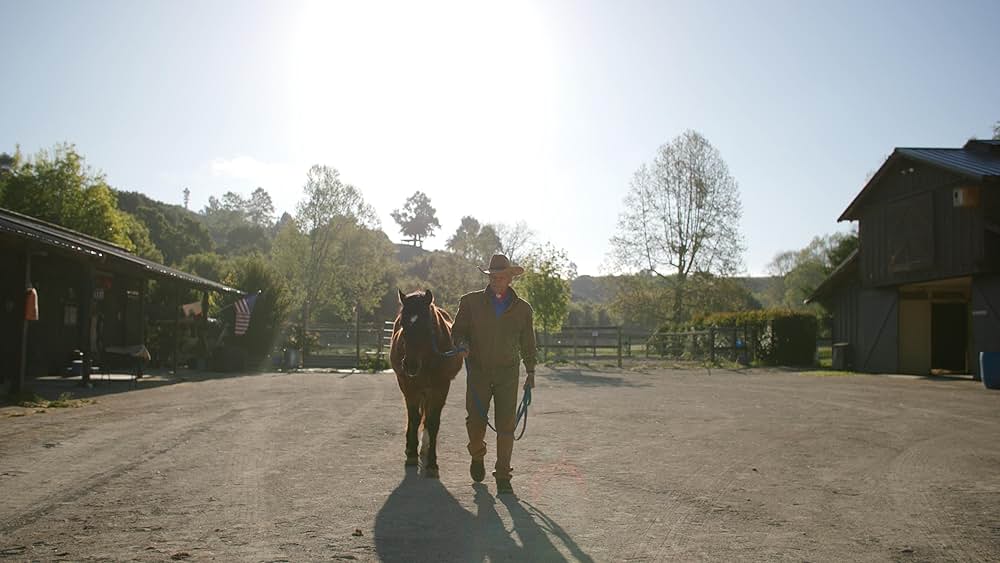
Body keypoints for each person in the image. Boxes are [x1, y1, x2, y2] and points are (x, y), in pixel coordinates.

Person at [452, 254, 537, 495]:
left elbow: (528, 344)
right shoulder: (470, 303)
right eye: (493, 277)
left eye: (502, 277)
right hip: (478, 371)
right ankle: (477, 455)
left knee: (506, 425)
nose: (497, 281)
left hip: (507, 374)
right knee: (475, 421)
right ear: (488, 277)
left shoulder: (523, 310)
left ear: (510, 278)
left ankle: (503, 475)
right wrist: (461, 344)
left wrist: (530, 371)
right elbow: (458, 331)